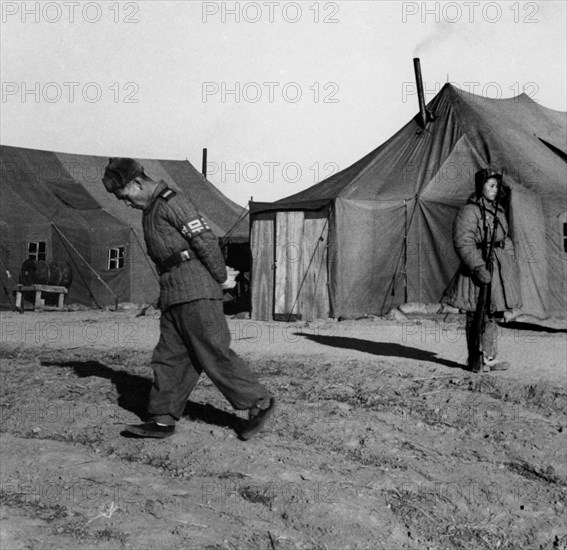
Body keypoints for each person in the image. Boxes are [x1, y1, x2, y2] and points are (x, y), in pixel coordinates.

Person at [102, 158, 275, 439]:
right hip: (173, 292)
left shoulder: (172, 202)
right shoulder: (153, 209)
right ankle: (162, 419)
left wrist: (221, 278)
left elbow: (205, 240)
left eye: (124, 196)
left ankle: (259, 401)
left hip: (195, 290)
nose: (126, 203)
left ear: (136, 183)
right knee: (169, 357)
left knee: (212, 350)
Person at [444, 166, 521, 372]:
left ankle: (489, 357)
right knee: (476, 314)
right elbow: (463, 242)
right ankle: (475, 358)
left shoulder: (499, 211)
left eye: (497, 186)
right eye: (491, 185)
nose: (495, 189)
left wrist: (510, 264)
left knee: (493, 314)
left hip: (498, 270)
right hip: (478, 268)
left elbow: (505, 240)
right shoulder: (469, 212)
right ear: (481, 187)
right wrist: (478, 266)